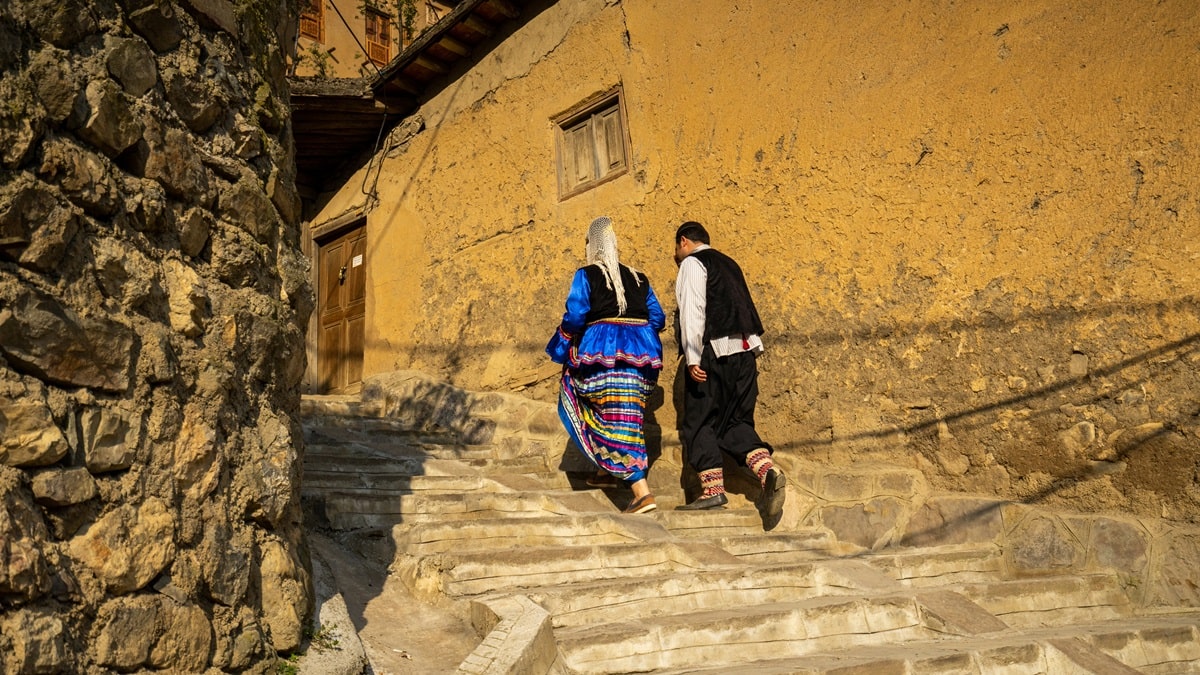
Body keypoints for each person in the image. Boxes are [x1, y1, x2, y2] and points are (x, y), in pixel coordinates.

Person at [546, 216, 666, 514]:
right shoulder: (639, 278)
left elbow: (575, 316)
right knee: (626, 418)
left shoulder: (586, 275)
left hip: (603, 357)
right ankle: (606, 472)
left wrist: (565, 339)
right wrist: (635, 332)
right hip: (641, 361)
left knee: (577, 395)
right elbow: (658, 318)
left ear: (593, 246)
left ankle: (641, 491)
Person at [673, 220, 786, 523]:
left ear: (684, 242)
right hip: (746, 354)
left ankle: (712, 492)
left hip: (714, 353)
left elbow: (693, 310)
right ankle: (768, 471)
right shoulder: (730, 264)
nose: (676, 257)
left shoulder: (693, 264)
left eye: (676, 250)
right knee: (734, 422)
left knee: (700, 420)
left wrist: (693, 357)